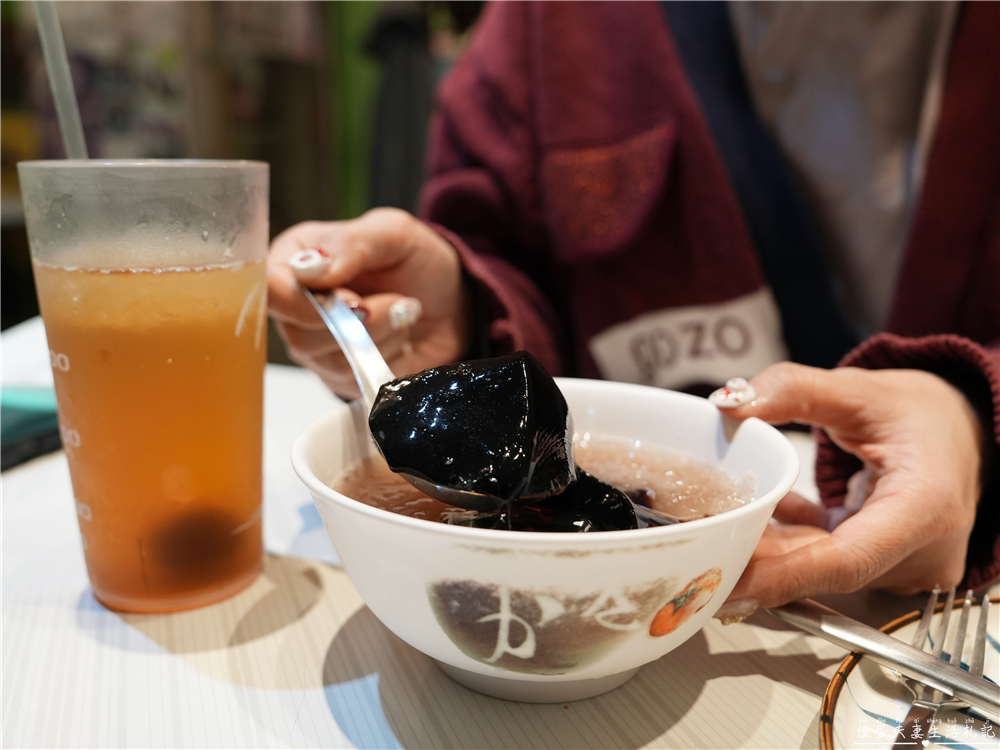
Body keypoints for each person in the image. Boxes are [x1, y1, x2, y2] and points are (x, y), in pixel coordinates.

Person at [267, 1, 999, 618]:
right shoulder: (545, 22)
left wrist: (975, 423)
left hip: (923, 619)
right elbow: (506, 250)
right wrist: (460, 310)